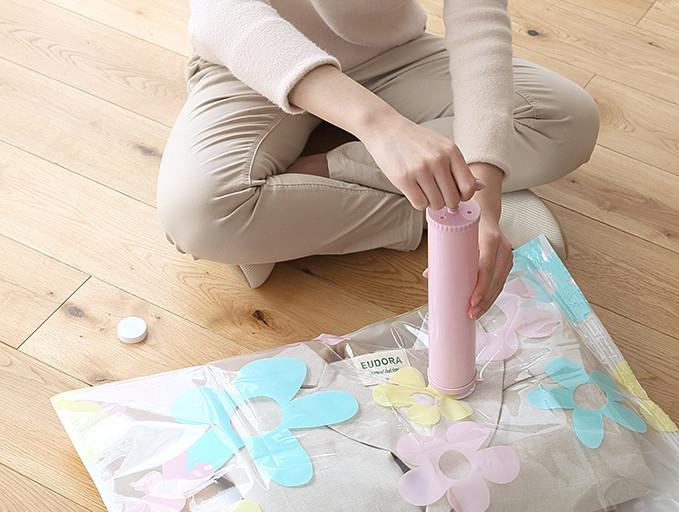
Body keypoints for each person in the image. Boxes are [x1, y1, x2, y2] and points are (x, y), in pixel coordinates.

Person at [157, 0, 599, 318]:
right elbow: (224, 13)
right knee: (199, 214)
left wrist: (484, 198)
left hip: (390, 54)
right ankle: (440, 200)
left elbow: (478, 18)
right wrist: (380, 126)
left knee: (567, 119)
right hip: (256, 63)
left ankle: (338, 178)